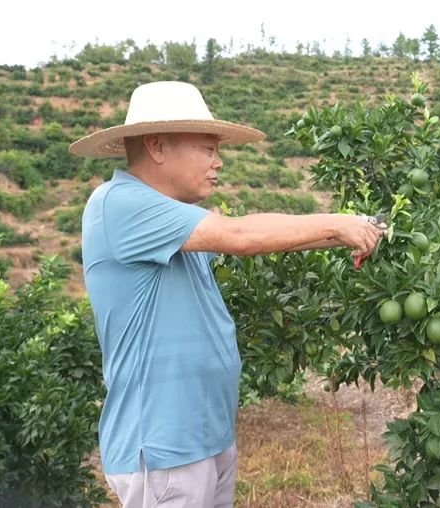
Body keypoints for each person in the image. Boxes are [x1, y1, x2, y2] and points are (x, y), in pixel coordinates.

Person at [70, 81, 383, 507]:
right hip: (164, 446)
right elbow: (238, 234)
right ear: (158, 145)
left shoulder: (176, 221)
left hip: (202, 437)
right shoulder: (120, 203)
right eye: (208, 148)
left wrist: (355, 228)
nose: (219, 162)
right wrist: (336, 223)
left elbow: (271, 235)